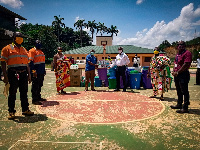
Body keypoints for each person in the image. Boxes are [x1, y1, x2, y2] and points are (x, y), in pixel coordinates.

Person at [1, 32, 34, 119]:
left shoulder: (24, 49)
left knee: (24, 93)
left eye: (22, 37)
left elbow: (27, 64)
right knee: (12, 93)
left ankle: (25, 109)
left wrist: (29, 75)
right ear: (14, 38)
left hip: (23, 73)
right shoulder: (7, 48)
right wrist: (5, 75)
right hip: (12, 73)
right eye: (19, 37)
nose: (21, 38)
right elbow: (3, 62)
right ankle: (11, 111)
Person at [170, 41, 192, 113]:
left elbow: (186, 64)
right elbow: (176, 63)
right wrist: (174, 71)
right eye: (178, 45)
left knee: (184, 91)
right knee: (178, 90)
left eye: (181, 45)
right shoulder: (178, 54)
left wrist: (178, 72)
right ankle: (179, 104)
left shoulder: (187, 53)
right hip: (177, 75)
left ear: (184, 46)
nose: (180, 46)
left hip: (183, 74)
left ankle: (185, 107)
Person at [28, 40, 46, 105]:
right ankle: (34, 99)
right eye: (37, 43)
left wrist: (44, 70)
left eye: (40, 43)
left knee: (40, 85)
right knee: (35, 85)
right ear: (35, 44)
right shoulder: (32, 51)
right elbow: (30, 62)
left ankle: (38, 97)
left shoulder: (41, 52)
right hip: (36, 72)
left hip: (41, 71)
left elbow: (42, 62)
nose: (39, 44)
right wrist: (33, 71)